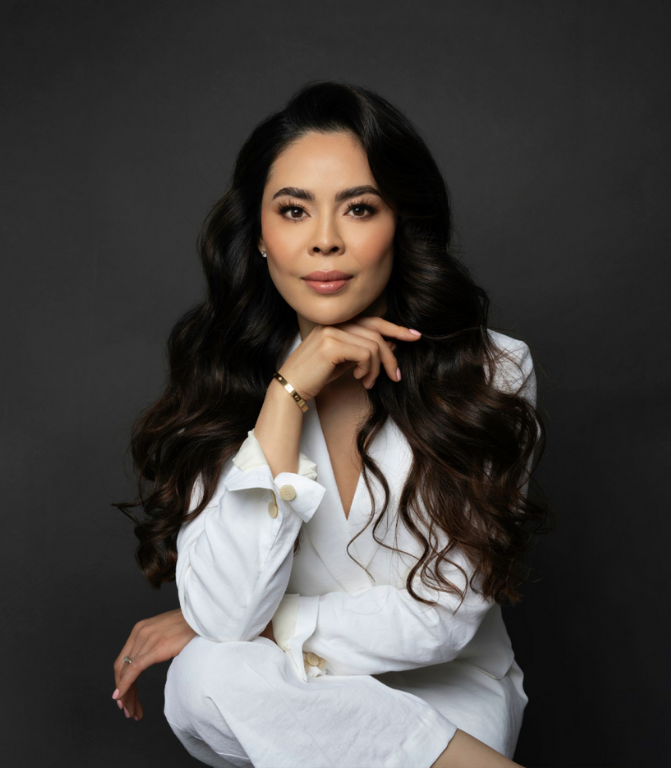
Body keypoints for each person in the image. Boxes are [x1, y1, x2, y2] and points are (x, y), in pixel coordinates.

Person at [112, 80, 550, 768]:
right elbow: (226, 618)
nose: (324, 241)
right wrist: (286, 396)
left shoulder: (488, 370)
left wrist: (266, 629)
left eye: (359, 208)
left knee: (210, 659)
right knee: (202, 676)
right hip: (290, 699)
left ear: (400, 225)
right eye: (293, 211)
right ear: (260, 237)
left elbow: (441, 622)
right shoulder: (223, 377)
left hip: (447, 703)